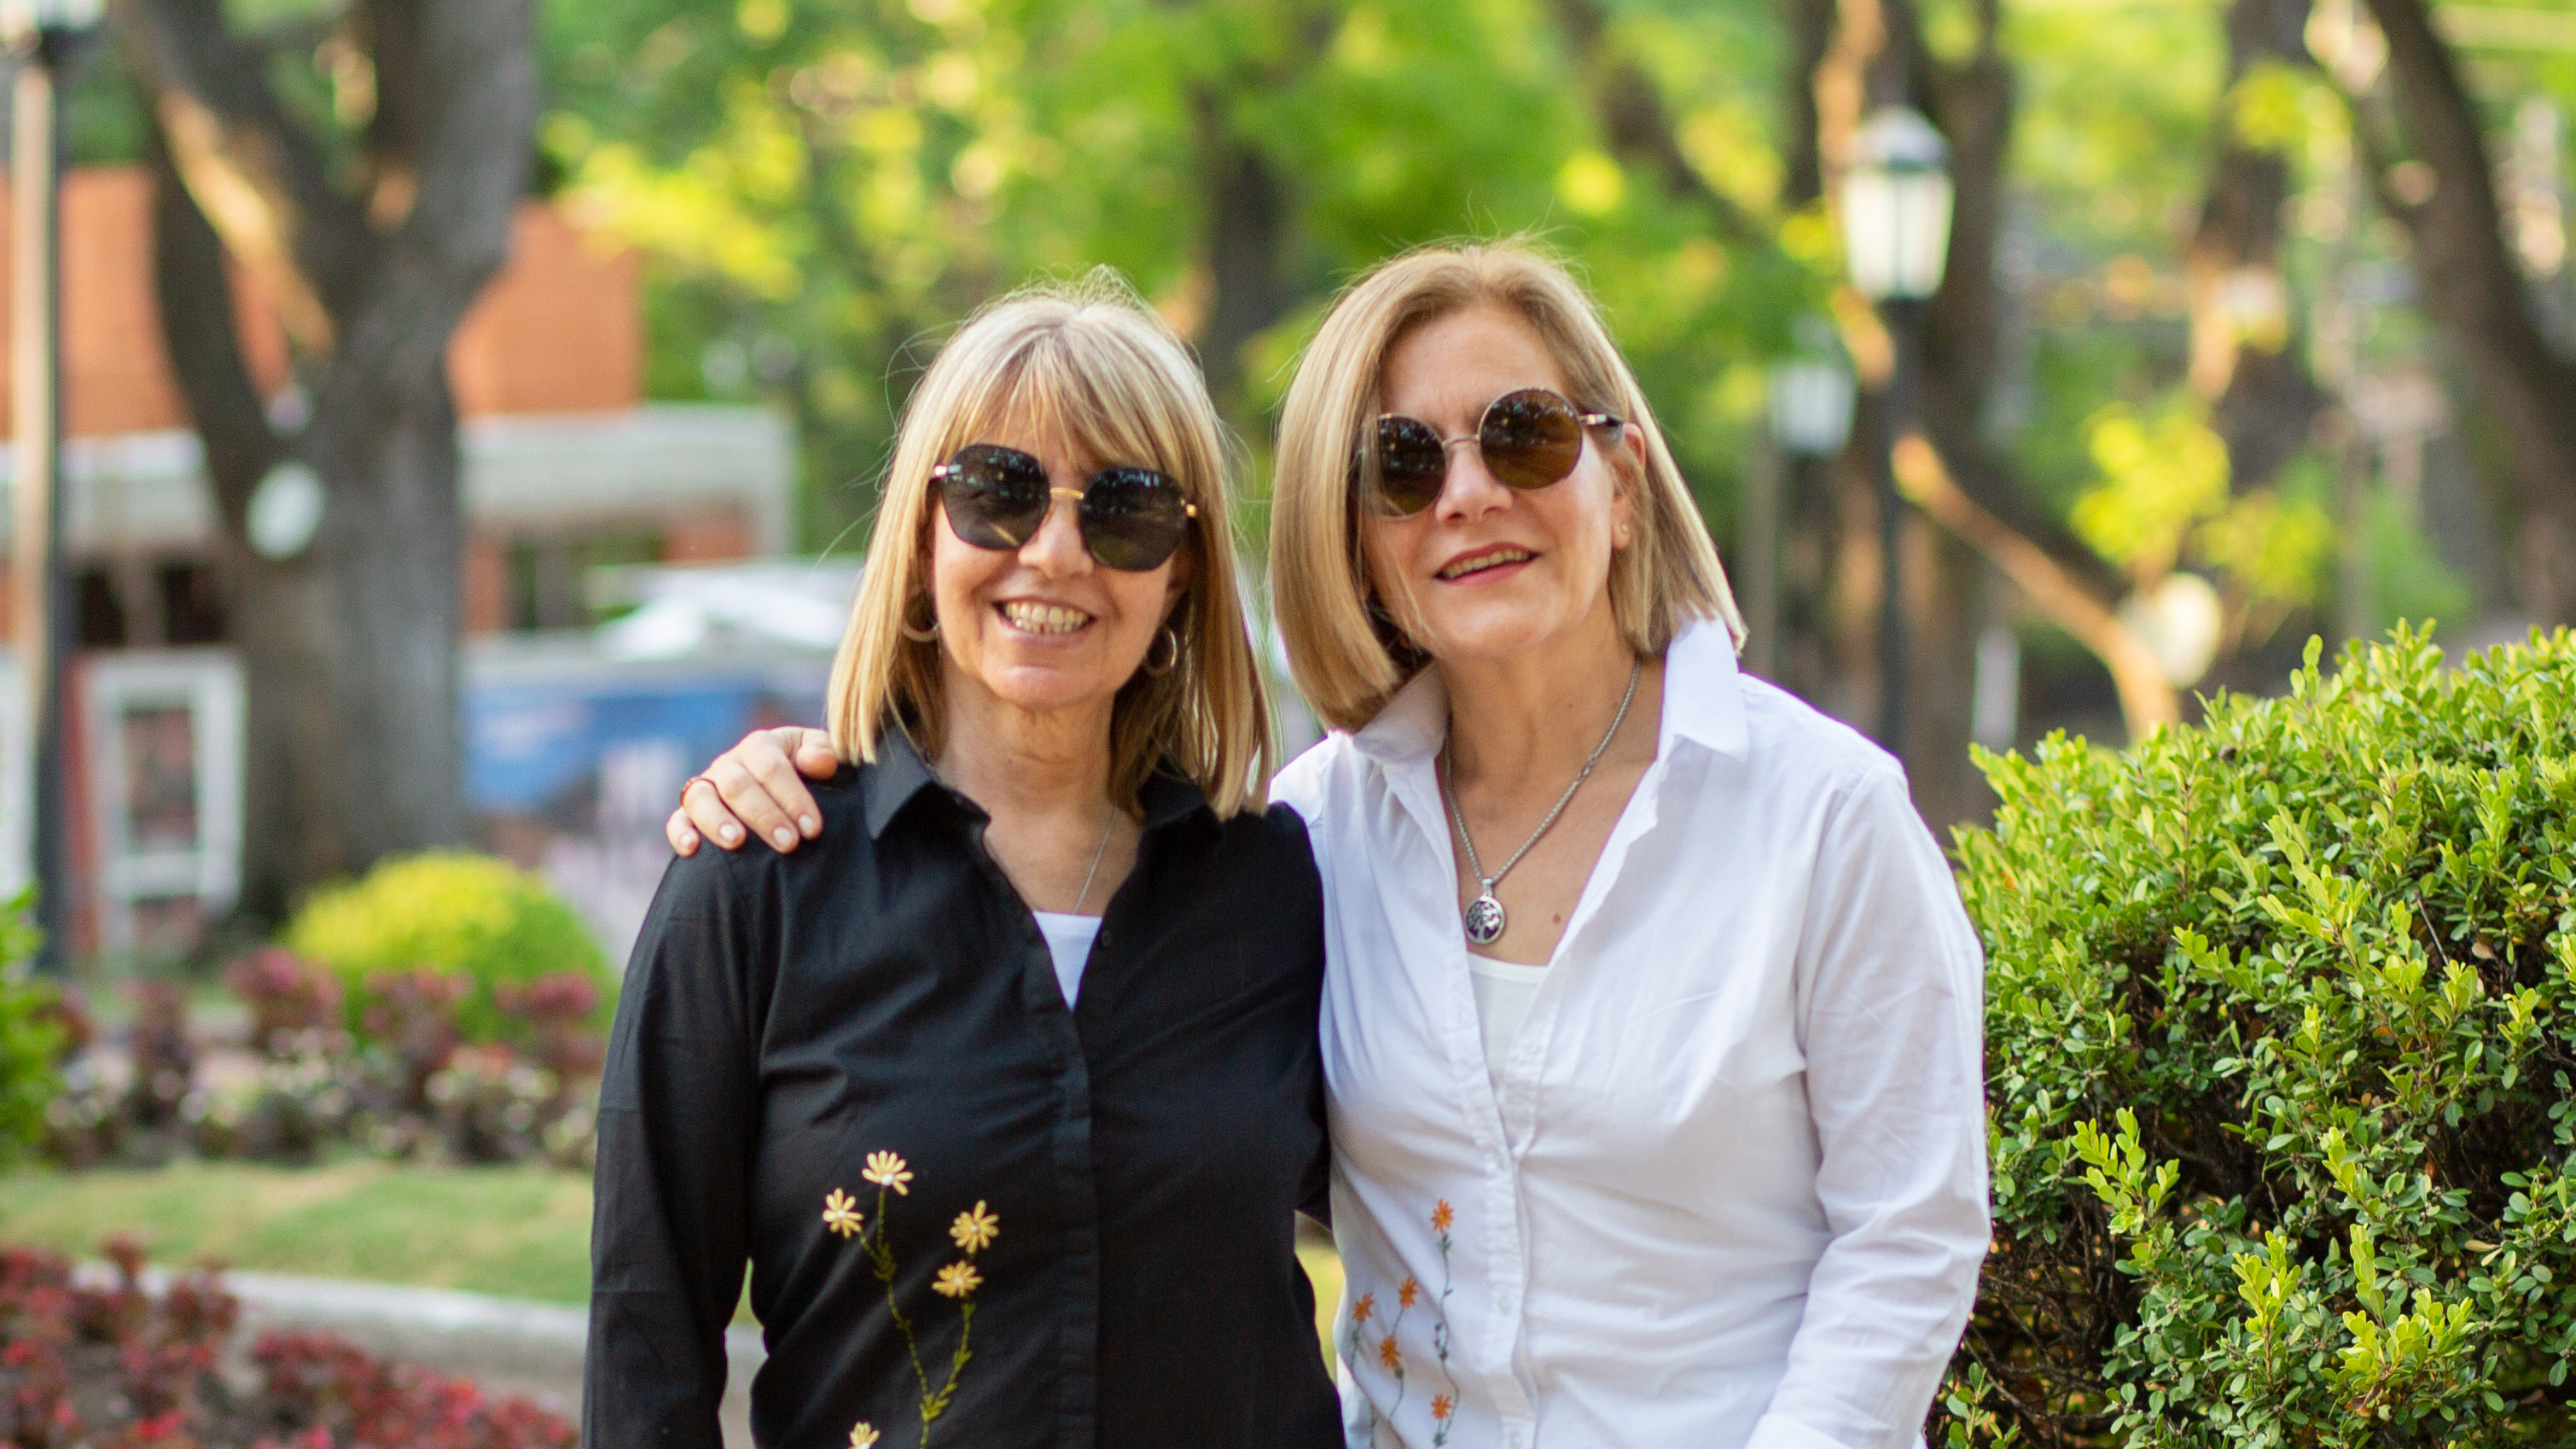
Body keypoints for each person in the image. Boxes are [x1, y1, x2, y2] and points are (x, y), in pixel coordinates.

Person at [672, 242, 1989, 1449]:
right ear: (1358, 543)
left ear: (1625, 483)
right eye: (1403, 465)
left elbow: (1909, 1233)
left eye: (1521, 438)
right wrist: (790, 777)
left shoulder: (1823, 815)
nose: (1466, 494)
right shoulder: (1305, 841)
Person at [589, 275, 1342, 1449]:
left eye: (1125, 509)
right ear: (926, 528)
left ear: (1181, 568)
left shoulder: (1280, 886)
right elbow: (646, 1340)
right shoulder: (759, 878)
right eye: (1000, 491)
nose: (1053, 551)